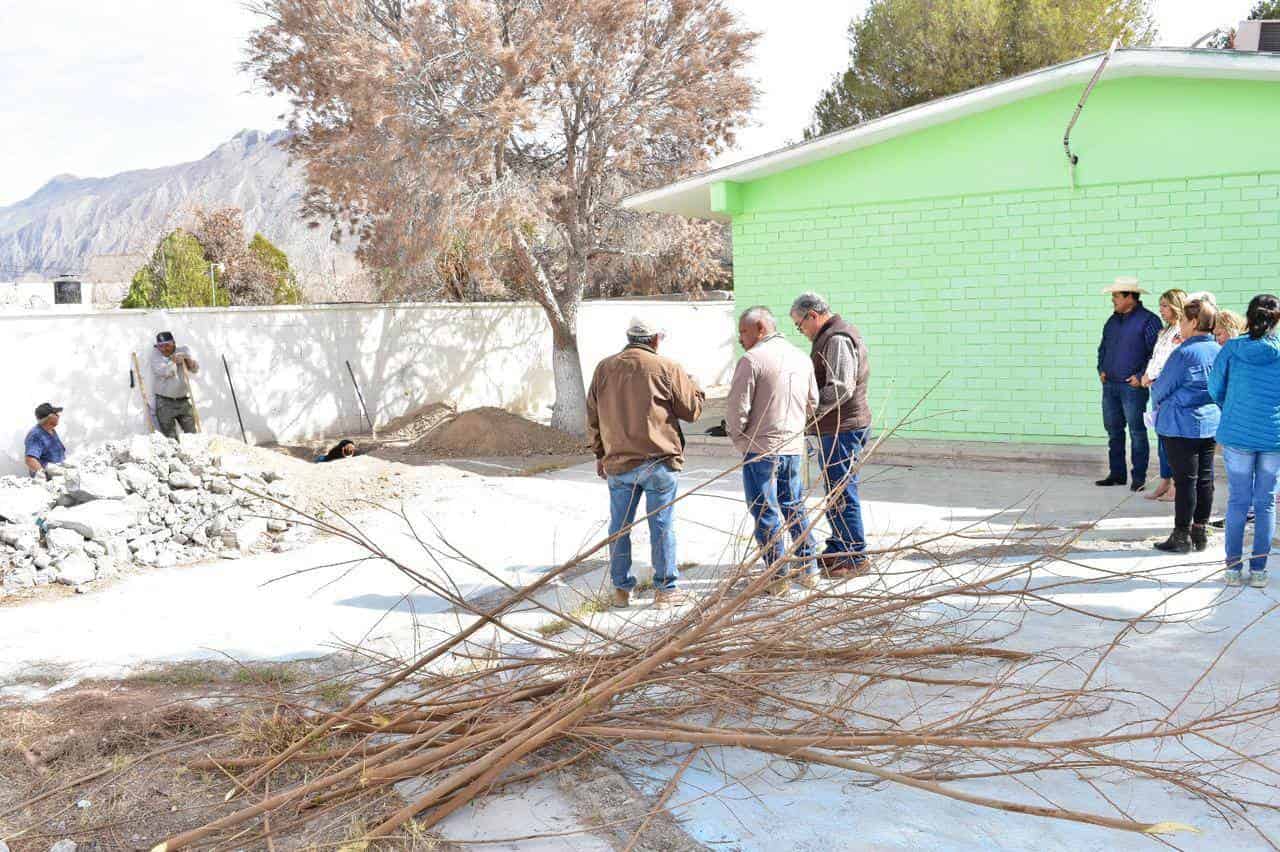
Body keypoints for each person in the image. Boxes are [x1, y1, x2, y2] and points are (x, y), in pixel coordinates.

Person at [586, 318, 704, 608]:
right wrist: (694, 385)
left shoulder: (604, 368)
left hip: (619, 463)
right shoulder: (667, 367)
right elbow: (692, 411)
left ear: (629, 338)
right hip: (659, 462)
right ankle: (665, 590)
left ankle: (620, 590)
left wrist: (600, 454)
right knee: (661, 526)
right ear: (655, 340)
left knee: (619, 527)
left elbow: (592, 416)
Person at [726, 306, 820, 595]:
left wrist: (741, 440)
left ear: (760, 329)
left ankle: (777, 575)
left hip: (760, 448)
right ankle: (808, 566)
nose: (740, 337)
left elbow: (736, 411)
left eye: (744, 330)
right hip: (792, 446)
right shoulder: (801, 358)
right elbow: (812, 403)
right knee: (793, 503)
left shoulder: (751, 360)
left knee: (765, 509)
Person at [789, 291, 872, 576]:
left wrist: (809, 409)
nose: (801, 332)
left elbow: (840, 387)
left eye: (800, 325)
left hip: (844, 427)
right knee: (835, 491)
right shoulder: (830, 336)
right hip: (837, 426)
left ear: (813, 315)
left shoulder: (836, 338)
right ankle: (839, 546)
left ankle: (854, 556)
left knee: (842, 491)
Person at [1207, 294, 1280, 587]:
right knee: (1265, 504)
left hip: (1237, 434)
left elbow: (1214, 388)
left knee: (1238, 501)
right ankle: (1260, 571)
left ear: (1248, 317)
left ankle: (1233, 570)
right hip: (1273, 437)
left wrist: (1233, 408)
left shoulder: (1232, 349)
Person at [1151, 299, 1220, 554]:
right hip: (1210, 421)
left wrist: (1156, 390)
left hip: (1181, 423)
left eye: (1182, 320)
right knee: (1205, 478)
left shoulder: (1184, 353)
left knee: (1186, 480)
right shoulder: (1219, 349)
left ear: (1193, 321)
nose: (1180, 324)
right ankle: (1199, 532)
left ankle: (1181, 535)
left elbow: (1161, 389)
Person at [1096, 276, 1162, 491]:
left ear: (1130, 297)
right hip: (1110, 385)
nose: (1113, 299)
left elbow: (1156, 354)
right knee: (1113, 431)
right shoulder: (1112, 320)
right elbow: (1103, 348)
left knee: (1136, 432)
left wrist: (1141, 375)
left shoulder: (1149, 320)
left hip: (1132, 388)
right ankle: (1117, 474)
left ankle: (1139, 478)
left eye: (1116, 295)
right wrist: (1101, 369)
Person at [1141, 289, 1188, 502]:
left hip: (1168, 388)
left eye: (1165, 306)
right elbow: (1156, 357)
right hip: (1156, 386)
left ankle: (1177, 485)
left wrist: (1154, 376)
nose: (1161, 310)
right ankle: (1165, 479)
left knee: (1172, 438)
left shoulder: (1181, 331)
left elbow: (1171, 361)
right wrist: (1147, 375)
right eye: (1160, 306)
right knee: (1161, 436)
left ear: (1177, 306)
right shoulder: (1165, 331)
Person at [149, 331, 200, 439]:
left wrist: (189, 360)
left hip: (183, 401)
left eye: (167, 345)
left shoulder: (182, 350)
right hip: (165, 403)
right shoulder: (156, 355)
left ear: (173, 343)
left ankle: (195, 455)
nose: (164, 349)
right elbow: (165, 372)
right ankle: (175, 455)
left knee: (193, 435)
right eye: (161, 346)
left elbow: (195, 369)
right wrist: (173, 361)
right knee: (171, 438)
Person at [24, 402, 66, 478]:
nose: (59, 416)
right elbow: (30, 460)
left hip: (59, 471)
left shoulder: (51, 430)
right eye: (56, 414)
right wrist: (45, 476)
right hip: (49, 477)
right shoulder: (36, 435)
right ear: (49, 418)